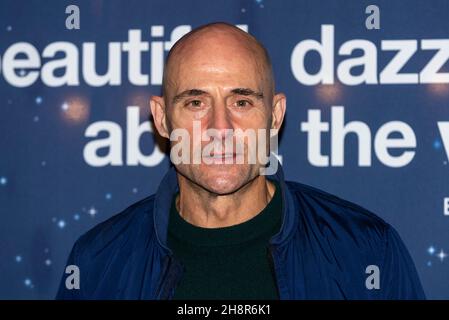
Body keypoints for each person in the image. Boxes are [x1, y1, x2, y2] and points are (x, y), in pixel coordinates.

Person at [57, 22, 425, 299]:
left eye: (242, 102)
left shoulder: (366, 251)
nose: (220, 127)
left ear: (275, 115)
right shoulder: (97, 263)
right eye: (196, 102)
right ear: (163, 118)